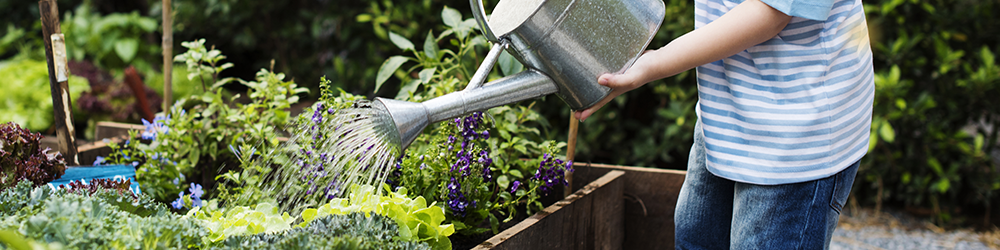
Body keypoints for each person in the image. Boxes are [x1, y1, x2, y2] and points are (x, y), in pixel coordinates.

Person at [574, 0, 874, 248]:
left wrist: (653, 64)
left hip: (794, 136)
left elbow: (769, 14)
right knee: (696, 239)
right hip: (726, 114)